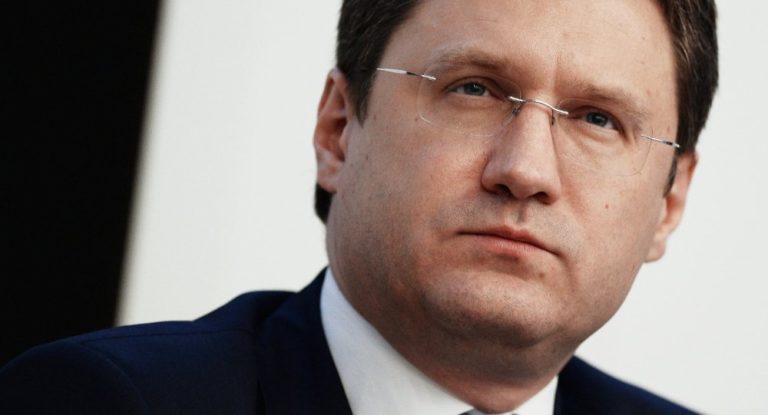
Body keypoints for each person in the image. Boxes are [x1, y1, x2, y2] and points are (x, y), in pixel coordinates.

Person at [0, 0, 719, 413]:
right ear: (338, 130)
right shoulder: (108, 400)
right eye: (473, 88)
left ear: (669, 201)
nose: (525, 170)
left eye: (597, 119)